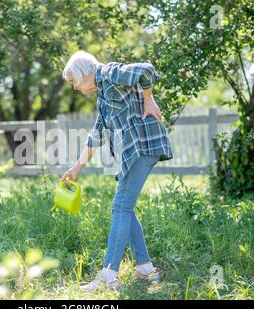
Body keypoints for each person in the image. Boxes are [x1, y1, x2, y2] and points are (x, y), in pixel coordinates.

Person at [61, 50, 173, 290]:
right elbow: (97, 134)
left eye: (73, 82)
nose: (74, 88)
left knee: (121, 205)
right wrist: (76, 167)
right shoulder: (103, 96)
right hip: (135, 151)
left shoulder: (109, 73)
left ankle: (108, 273)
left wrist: (148, 98)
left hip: (144, 145)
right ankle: (145, 268)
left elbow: (146, 70)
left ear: (82, 73)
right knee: (125, 207)